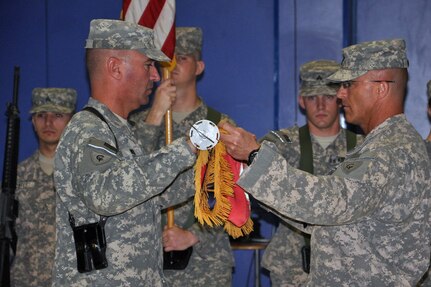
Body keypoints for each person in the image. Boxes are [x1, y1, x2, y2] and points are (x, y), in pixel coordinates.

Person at [219, 39, 431, 285]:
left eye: (349, 84)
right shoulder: (383, 144)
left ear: (380, 88)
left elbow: (328, 202)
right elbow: (323, 219)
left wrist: (255, 156)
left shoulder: (390, 150)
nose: (340, 94)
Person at [53, 19, 198, 286]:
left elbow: (148, 194)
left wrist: (208, 173)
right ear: (115, 67)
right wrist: (187, 147)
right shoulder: (88, 130)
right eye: (148, 65)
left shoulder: (119, 130)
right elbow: (106, 194)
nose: (156, 76)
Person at [131, 27, 234, 287]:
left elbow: (235, 195)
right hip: (146, 263)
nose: (172, 64)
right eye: (167, 58)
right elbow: (127, 179)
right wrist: (154, 115)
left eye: (182, 58)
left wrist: (194, 234)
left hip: (204, 266)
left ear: (199, 67)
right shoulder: (138, 124)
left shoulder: (220, 126)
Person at [259, 60, 362, 286]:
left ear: (340, 99)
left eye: (327, 96)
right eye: (313, 98)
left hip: (347, 266)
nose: (321, 105)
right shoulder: (281, 145)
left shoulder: (362, 148)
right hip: (291, 267)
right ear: (301, 101)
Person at [11, 88, 76, 287]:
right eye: (41, 115)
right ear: (33, 121)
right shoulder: (16, 176)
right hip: (26, 281)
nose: (48, 123)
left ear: (71, 121)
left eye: (57, 115)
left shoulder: (82, 175)